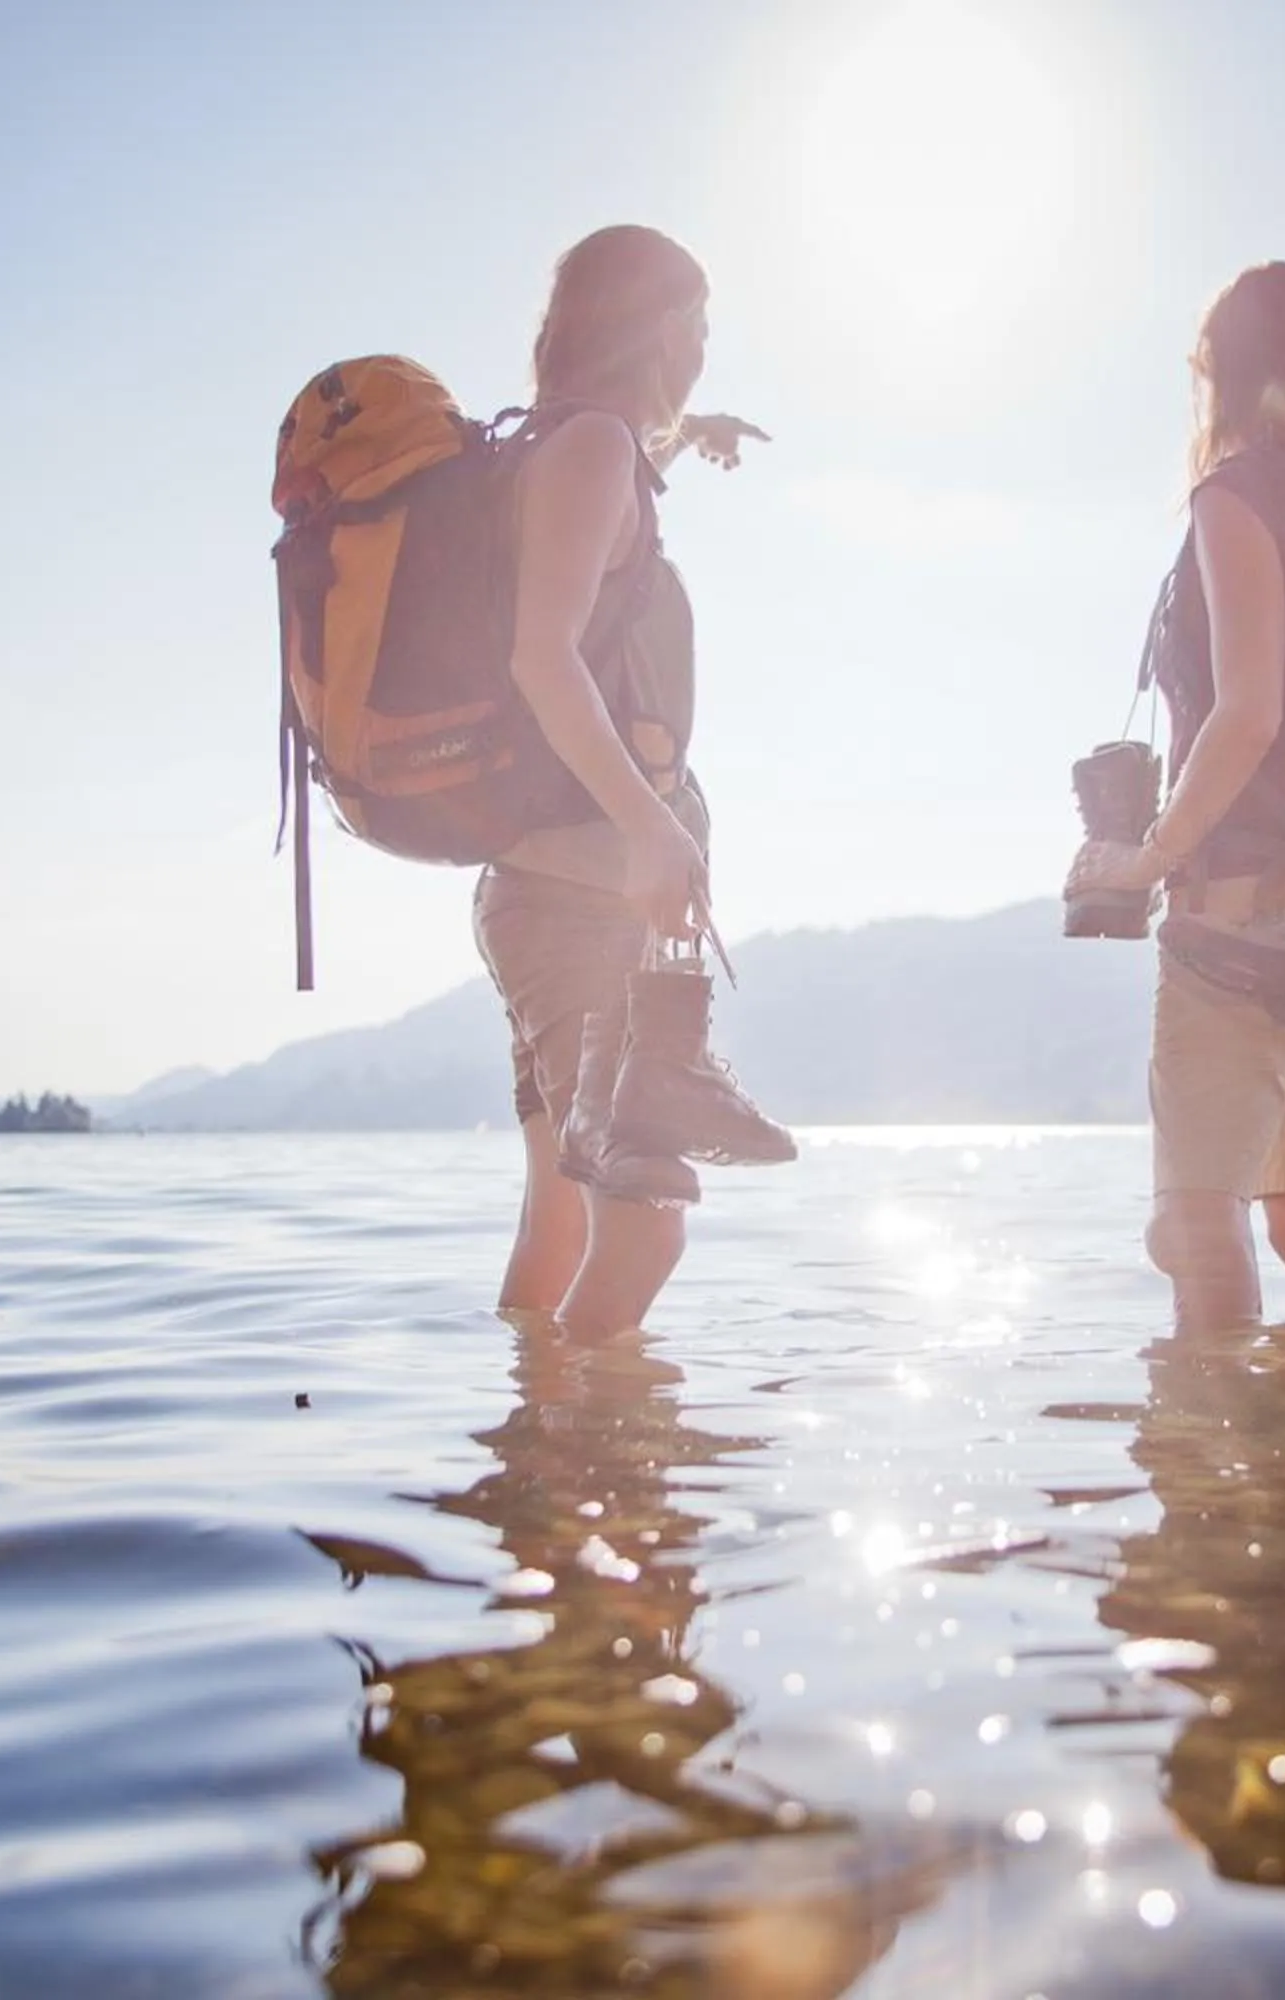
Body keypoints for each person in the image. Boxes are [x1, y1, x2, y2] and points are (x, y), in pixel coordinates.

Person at [1068, 261, 1285, 1329]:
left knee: (1196, 1221)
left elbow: (1249, 712)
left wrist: (1148, 857)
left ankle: (1211, 1495)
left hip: (1245, 907)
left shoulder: (1240, 499)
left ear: (1226, 372)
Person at [477, 225, 790, 1338]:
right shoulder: (592, 450)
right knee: (644, 1209)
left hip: (543, 888)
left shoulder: (573, 446)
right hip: (576, 893)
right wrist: (652, 827)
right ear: (658, 326)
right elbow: (544, 656)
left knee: (562, 1209)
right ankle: (585, 1471)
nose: (705, 346)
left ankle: (530, 1483)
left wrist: (679, 429)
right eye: (699, 324)